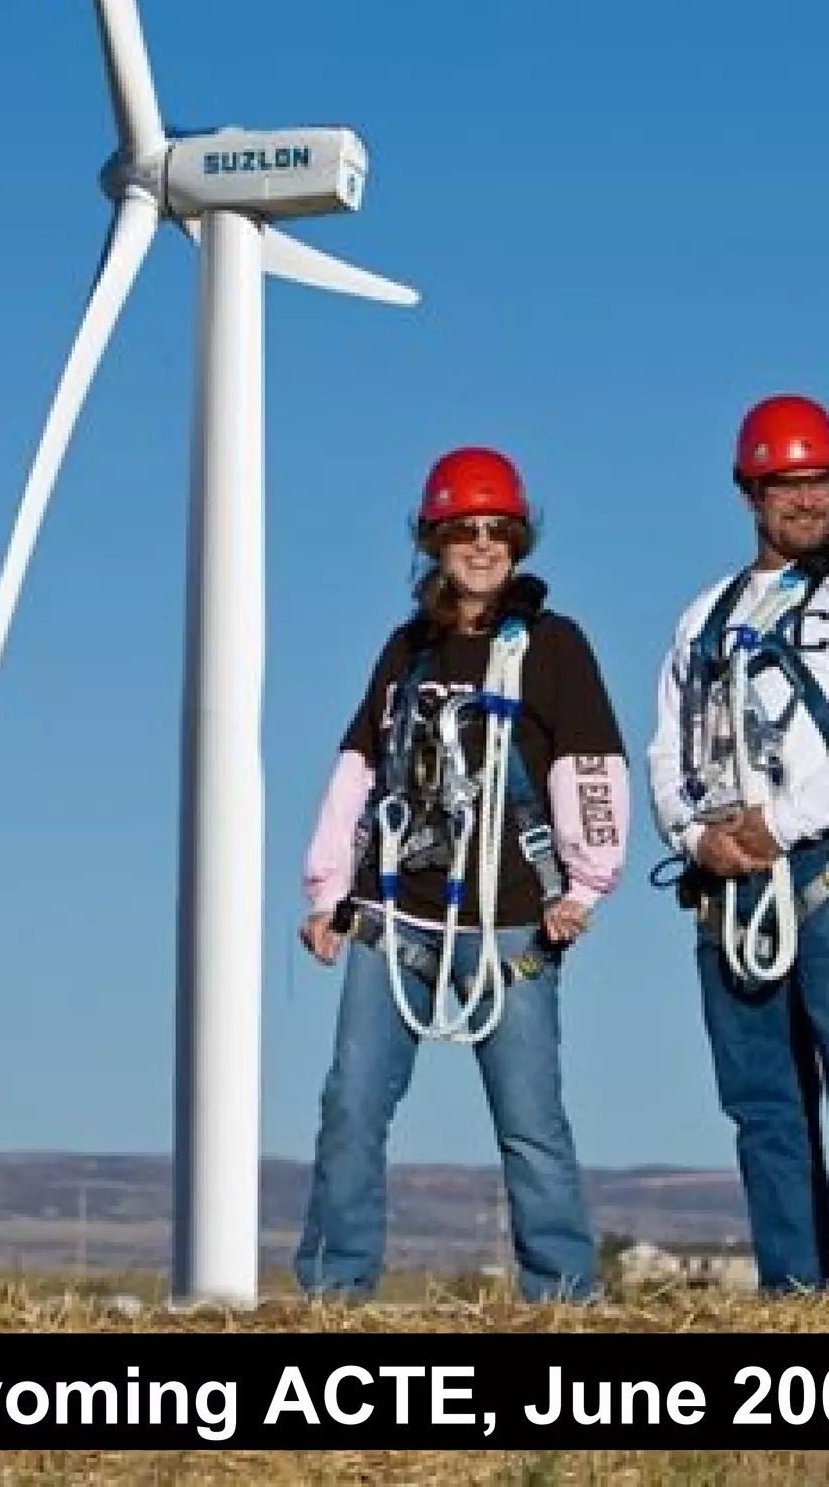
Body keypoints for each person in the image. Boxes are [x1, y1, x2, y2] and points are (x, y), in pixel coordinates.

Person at [293, 445, 630, 1301]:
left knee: (530, 1123)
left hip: (511, 919)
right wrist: (329, 891)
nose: (481, 546)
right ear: (434, 542)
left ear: (518, 541)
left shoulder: (554, 647)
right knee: (351, 1112)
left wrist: (587, 886)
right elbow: (358, 768)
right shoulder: (407, 652)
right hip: (392, 915)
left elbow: (590, 768)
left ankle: (561, 1299)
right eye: (462, 531)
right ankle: (336, 1294)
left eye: (497, 530)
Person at [647, 394, 829, 1294]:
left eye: (821, 479)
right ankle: (795, 1293)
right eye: (788, 483)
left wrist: (782, 824)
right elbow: (669, 744)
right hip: (729, 875)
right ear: (750, 492)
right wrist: (697, 838)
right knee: (763, 1100)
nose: (809, 499)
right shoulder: (705, 614)